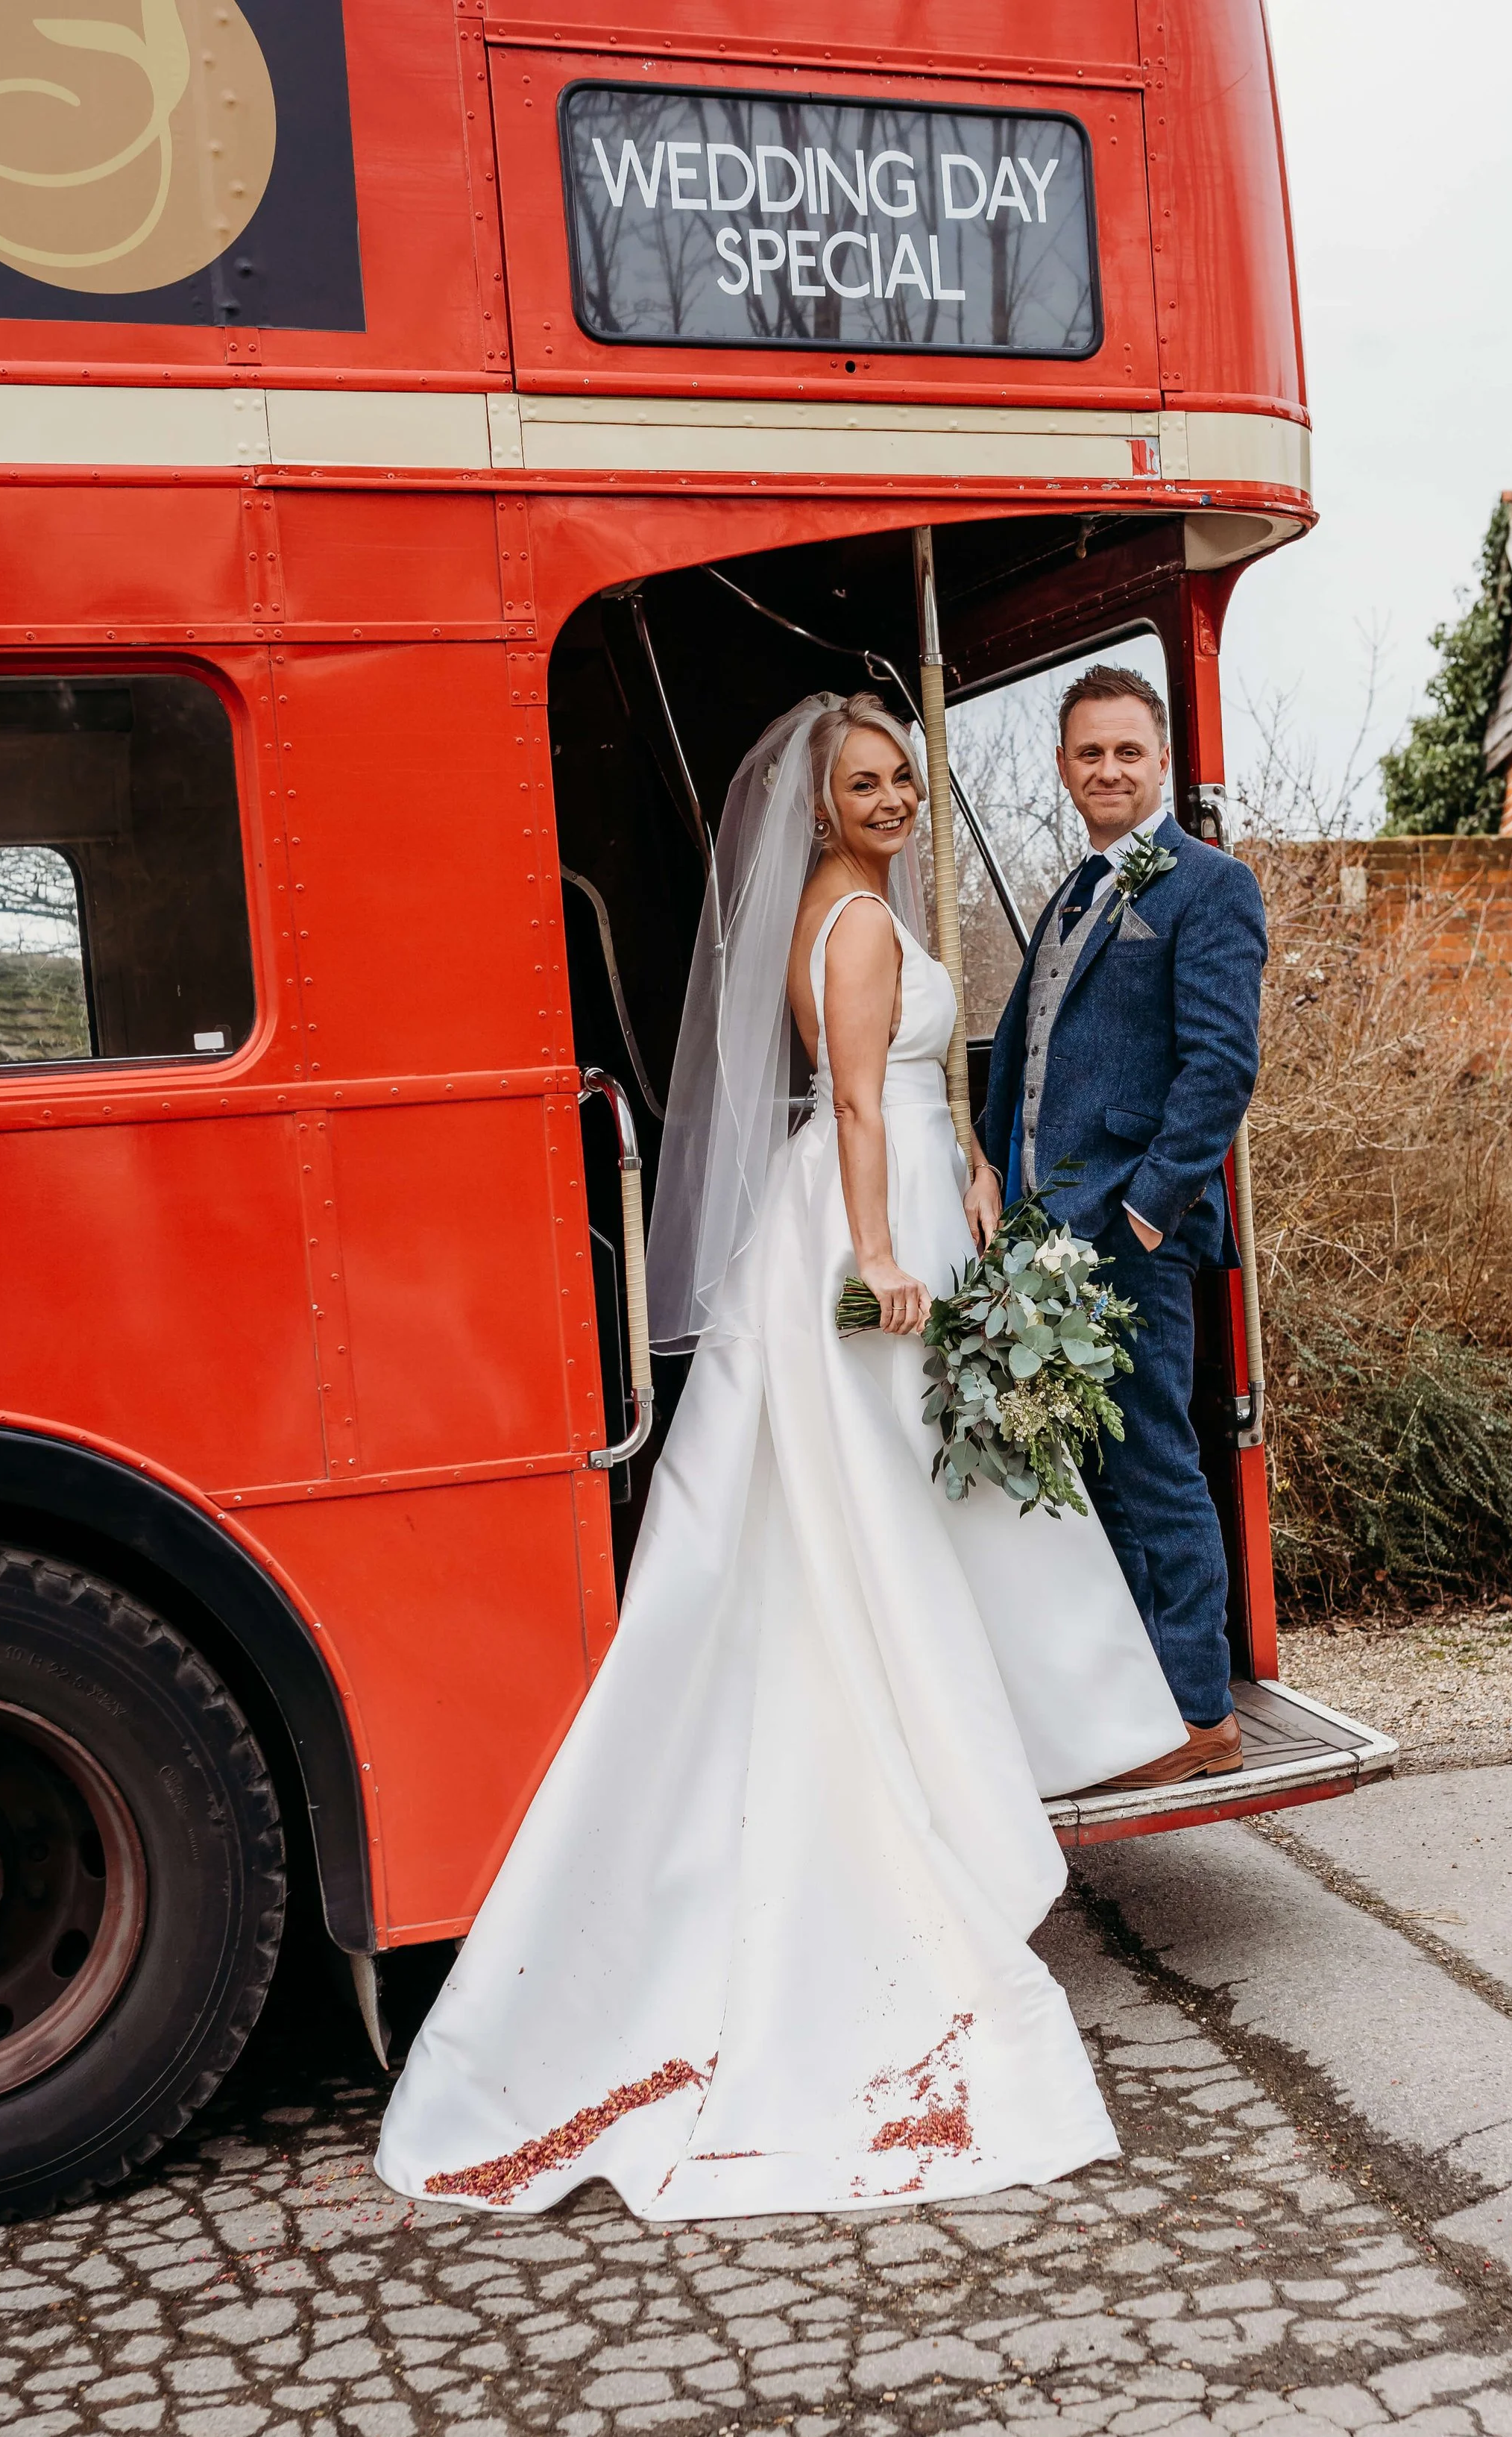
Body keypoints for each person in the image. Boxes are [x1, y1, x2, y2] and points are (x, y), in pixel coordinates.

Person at [374, 692, 1188, 2222]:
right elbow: (861, 1115)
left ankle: (953, 1757)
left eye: (900, 779)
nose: (889, 800)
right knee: (888, 1512)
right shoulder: (862, 924)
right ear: (816, 806)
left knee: (862, 1518)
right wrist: (885, 1255)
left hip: (876, 1198)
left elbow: (880, 1089)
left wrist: (958, 1162)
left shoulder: (840, 905)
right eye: (861, 784)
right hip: (860, 1235)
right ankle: (930, 1786)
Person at [983, 664, 1267, 1786]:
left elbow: (1220, 1069)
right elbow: (1037, 1059)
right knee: (1099, 1472)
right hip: (1055, 1243)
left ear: (1160, 763)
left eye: (1127, 752)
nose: (1107, 769)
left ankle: (1200, 1714)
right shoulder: (1073, 892)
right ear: (1064, 768)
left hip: (1137, 1244)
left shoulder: (1210, 886)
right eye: (1087, 753)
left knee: (1152, 1463)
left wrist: (1149, 1216)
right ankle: (1136, 1706)